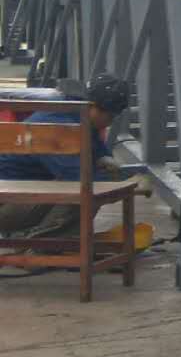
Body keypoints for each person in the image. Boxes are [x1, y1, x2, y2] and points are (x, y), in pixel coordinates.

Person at [0, 74, 132, 237]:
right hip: (7, 204)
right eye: (110, 117)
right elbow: (77, 177)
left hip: (15, 194)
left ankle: (43, 239)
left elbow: (94, 142)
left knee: (88, 186)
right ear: (93, 106)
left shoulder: (76, 110)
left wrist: (103, 157)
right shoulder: (59, 127)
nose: (110, 122)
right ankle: (42, 245)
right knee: (86, 194)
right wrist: (127, 183)